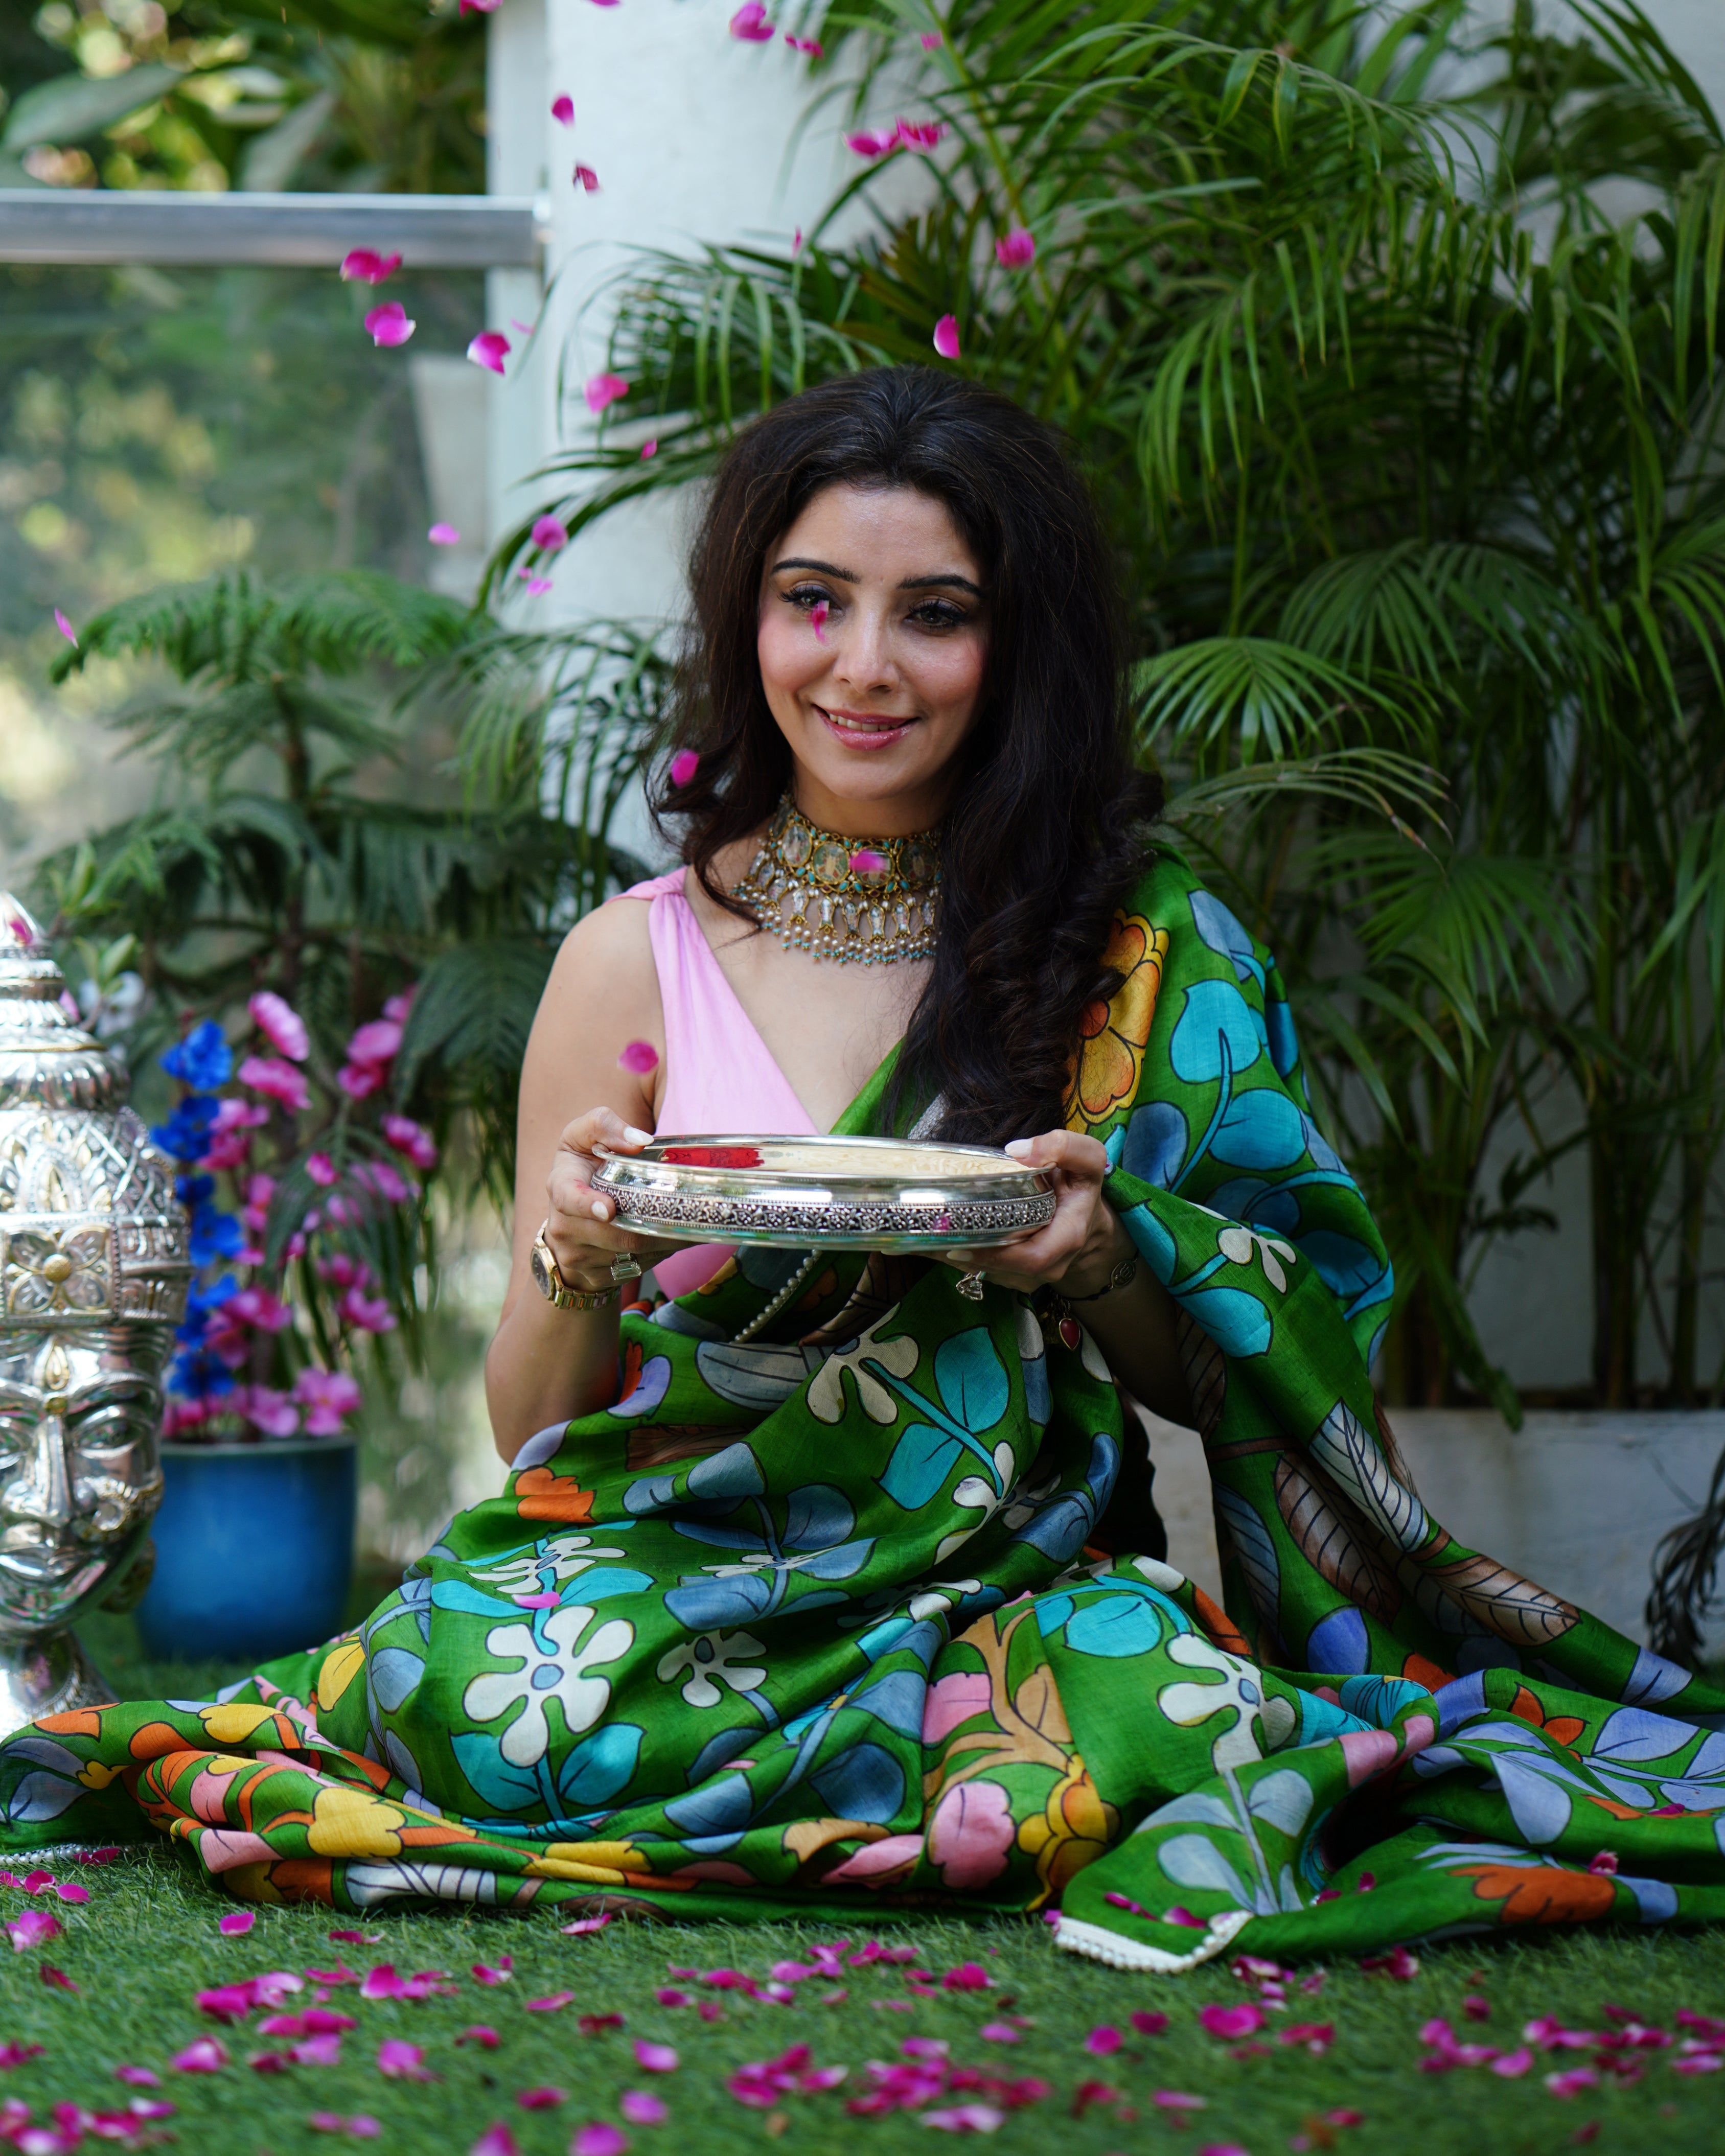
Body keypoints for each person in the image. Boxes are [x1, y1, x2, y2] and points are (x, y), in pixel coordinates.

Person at [3, 369, 1722, 1971]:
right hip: (673, 1572)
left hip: (1010, 1584)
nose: (863, 666)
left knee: (1168, 1703)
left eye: (937, 613)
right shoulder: (636, 957)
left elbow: (1273, 1364)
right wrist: (578, 1258)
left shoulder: (1138, 950)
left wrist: (1098, 1257)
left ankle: (927, 1772)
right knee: (467, 1675)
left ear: (1018, 644)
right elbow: (532, 1429)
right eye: (813, 599)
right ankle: (926, 1800)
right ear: (750, 615)